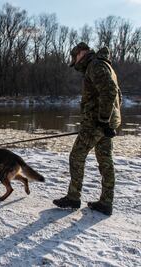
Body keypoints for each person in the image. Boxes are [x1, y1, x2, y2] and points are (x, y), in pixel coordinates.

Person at [53, 42, 122, 216]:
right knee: (105, 160)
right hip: (105, 123)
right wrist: (111, 121)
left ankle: (73, 197)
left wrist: (104, 120)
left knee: (76, 156)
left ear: (82, 53)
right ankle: (106, 202)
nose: (75, 63)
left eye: (75, 58)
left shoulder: (95, 65)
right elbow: (117, 94)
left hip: (97, 123)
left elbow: (111, 90)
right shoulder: (104, 65)